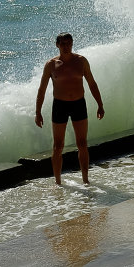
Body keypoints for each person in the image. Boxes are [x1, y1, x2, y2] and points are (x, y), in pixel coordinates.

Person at [34, 33, 105, 185]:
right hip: (60, 105)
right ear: (57, 45)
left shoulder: (81, 61)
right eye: (63, 43)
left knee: (82, 143)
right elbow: (42, 89)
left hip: (79, 104)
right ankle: (58, 182)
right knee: (58, 146)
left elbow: (92, 83)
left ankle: (86, 180)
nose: (66, 46)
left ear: (72, 43)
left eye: (69, 43)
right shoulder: (51, 65)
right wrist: (38, 112)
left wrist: (100, 104)